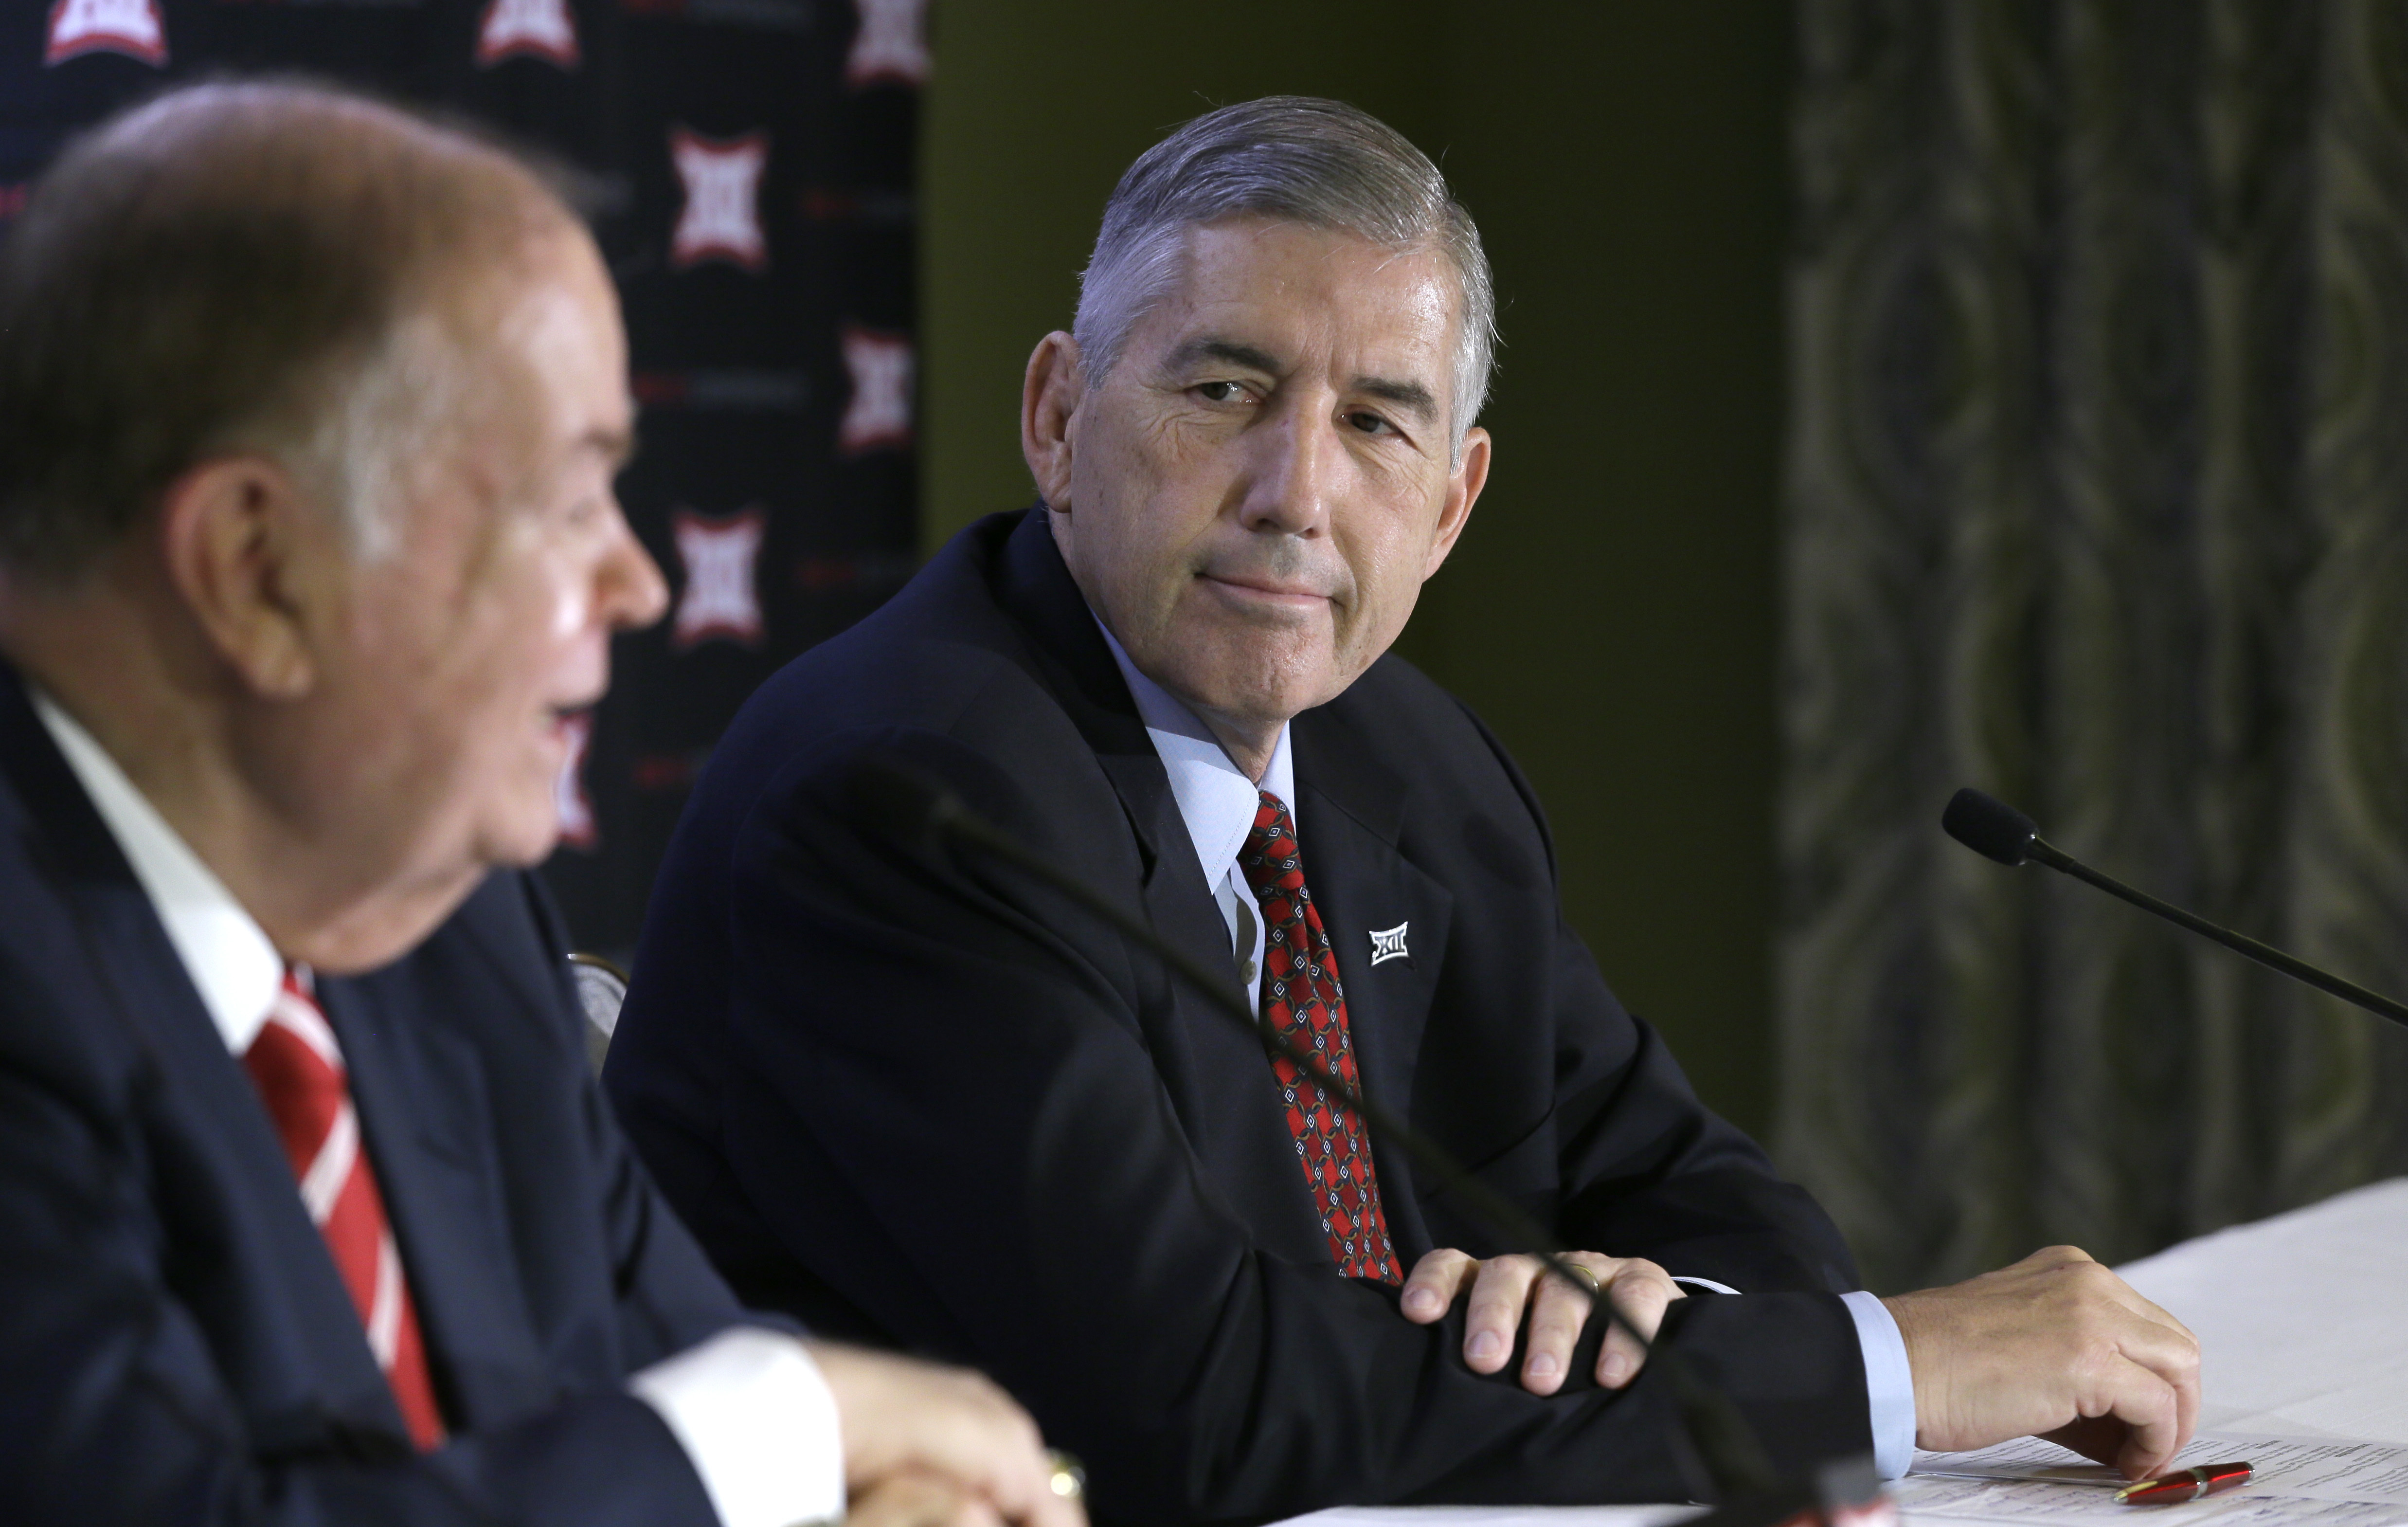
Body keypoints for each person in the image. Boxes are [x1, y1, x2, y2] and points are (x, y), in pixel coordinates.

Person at [603, 97, 2200, 1521]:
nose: (1297, 489)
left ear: (1452, 503)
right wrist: (1879, 1370)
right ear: (1056, 420)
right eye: (1225, 387)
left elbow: (1713, 1201)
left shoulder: (1409, 764)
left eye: (1377, 419)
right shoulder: (909, 791)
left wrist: (1633, 1318)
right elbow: (1193, 1406)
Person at [0, 81, 1082, 1527]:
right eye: (570, 503)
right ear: (258, 568)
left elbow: (694, 1424)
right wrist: (801, 1419)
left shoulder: (458, 934)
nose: (636, 583)